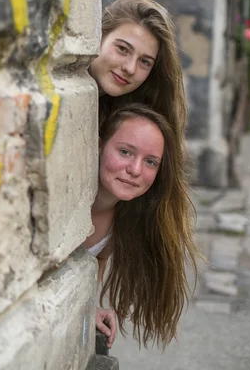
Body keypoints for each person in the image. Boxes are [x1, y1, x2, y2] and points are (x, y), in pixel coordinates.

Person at [82, 104, 200, 350]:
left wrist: (89, 305)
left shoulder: (123, 219)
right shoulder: (71, 201)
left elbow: (99, 259)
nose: (135, 170)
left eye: (150, 162)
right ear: (99, 145)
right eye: (125, 152)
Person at [89, 0, 188, 140]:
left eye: (145, 62)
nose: (130, 68)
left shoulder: (135, 123)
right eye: (123, 49)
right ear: (99, 37)